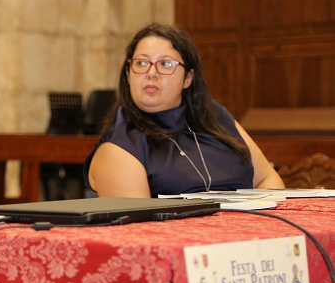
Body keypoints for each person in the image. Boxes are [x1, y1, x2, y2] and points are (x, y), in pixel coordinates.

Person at [84, 23, 284, 197]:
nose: (151, 73)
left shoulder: (216, 117)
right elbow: (140, 226)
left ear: (188, 78)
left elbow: (267, 179)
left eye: (165, 64)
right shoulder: (121, 145)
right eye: (141, 63)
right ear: (128, 73)